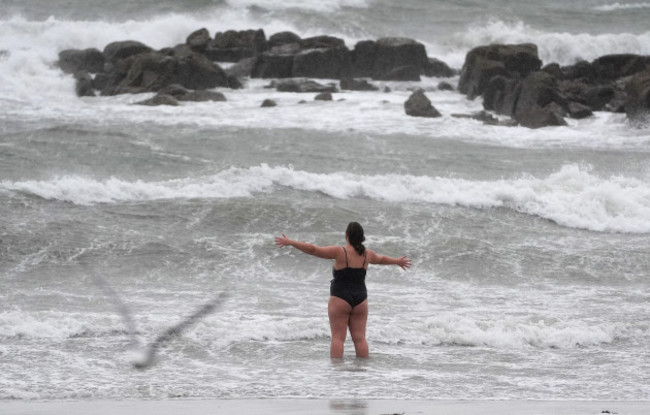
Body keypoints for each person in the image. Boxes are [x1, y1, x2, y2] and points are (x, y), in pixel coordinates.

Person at [275, 222, 411, 358]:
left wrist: (290, 242)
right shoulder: (367, 254)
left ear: (346, 236)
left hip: (340, 298)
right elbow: (381, 259)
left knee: (338, 338)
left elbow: (313, 249)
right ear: (361, 238)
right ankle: (363, 372)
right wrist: (397, 261)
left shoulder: (340, 252)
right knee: (360, 339)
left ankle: (337, 375)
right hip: (361, 300)